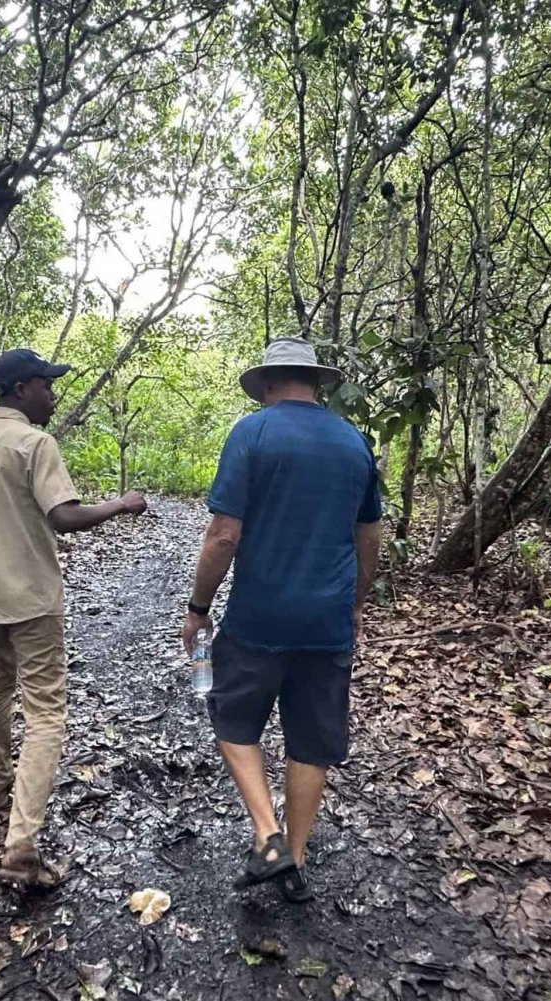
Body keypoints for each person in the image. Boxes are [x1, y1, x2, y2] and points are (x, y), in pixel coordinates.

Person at [180, 337, 382, 903]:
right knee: (311, 737)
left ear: (268, 383)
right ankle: (294, 859)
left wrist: (198, 609)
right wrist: (356, 603)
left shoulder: (253, 432)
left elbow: (223, 535)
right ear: (316, 383)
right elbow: (369, 537)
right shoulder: (354, 442)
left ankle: (268, 836)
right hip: (328, 620)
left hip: (259, 617)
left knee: (232, 717)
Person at [0, 347, 146, 887]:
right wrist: (121, 505)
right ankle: (21, 845)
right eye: (47, 386)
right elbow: (64, 517)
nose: (53, 396)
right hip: (31, 597)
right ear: (22, 389)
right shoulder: (35, 444)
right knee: (46, 711)